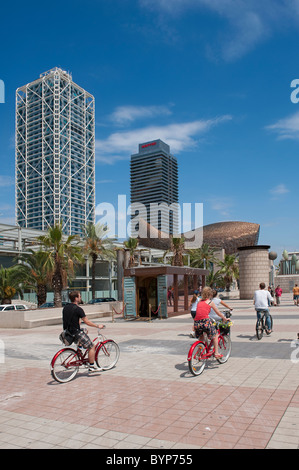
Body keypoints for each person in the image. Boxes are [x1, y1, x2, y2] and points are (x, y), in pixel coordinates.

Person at [62, 290, 105, 372]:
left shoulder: (66, 307)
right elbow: (87, 322)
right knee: (92, 346)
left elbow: (68, 318)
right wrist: (97, 326)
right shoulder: (78, 309)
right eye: (79, 296)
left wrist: (77, 321)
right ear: (76, 298)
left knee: (85, 330)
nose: (80, 297)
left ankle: (80, 347)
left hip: (68, 332)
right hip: (76, 333)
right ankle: (91, 367)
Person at [193, 286, 229, 359]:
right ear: (210, 294)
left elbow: (199, 313)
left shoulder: (199, 301)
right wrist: (224, 318)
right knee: (215, 335)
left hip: (197, 323)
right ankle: (216, 353)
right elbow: (218, 313)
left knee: (201, 337)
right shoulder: (210, 302)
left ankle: (199, 353)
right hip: (205, 322)